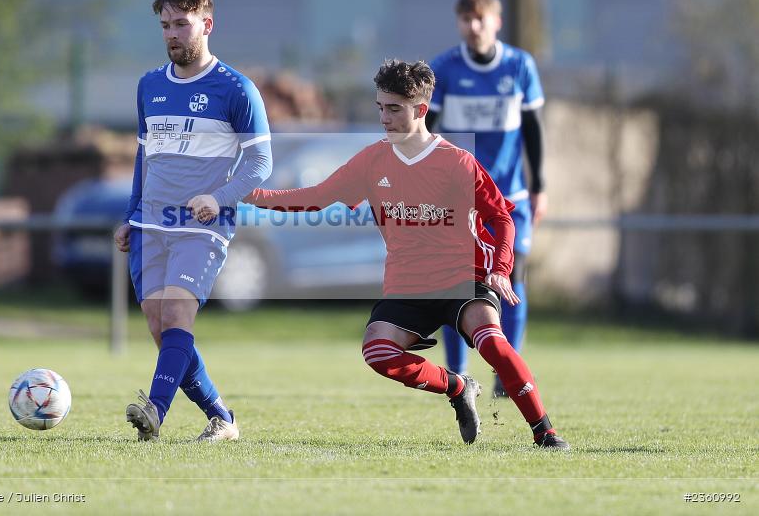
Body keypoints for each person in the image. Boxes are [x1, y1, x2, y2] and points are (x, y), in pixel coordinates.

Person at [243, 59, 568, 449]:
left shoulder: (456, 162)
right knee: (377, 351)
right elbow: (316, 197)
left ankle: (545, 433)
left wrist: (500, 268)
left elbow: (501, 217)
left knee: (494, 344)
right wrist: (252, 195)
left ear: (421, 110)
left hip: (465, 278)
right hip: (409, 285)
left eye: (393, 108)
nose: (384, 117)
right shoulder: (372, 161)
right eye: (380, 106)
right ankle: (457, 386)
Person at [114, 0, 273, 442]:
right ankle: (222, 419)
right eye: (165, 26)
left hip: (202, 227)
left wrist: (218, 198)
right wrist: (130, 216)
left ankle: (154, 413)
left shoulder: (236, 89)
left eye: (181, 24)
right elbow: (146, 156)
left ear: (207, 24)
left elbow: (260, 163)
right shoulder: (148, 86)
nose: (172, 34)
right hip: (149, 224)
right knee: (164, 332)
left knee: (178, 318)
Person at [427, 0, 547, 396]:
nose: (474, 27)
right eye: (466, 19)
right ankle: (459, 372)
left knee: (514, 277)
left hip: (510, 196)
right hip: (461, 198)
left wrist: (540, 186)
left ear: (496, 21)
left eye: (481, 19)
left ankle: (506, 372)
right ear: (459, 23)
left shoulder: (519, 66)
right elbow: (428, 132)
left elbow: (533, 129)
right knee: (453, 281)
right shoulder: (443, 68)